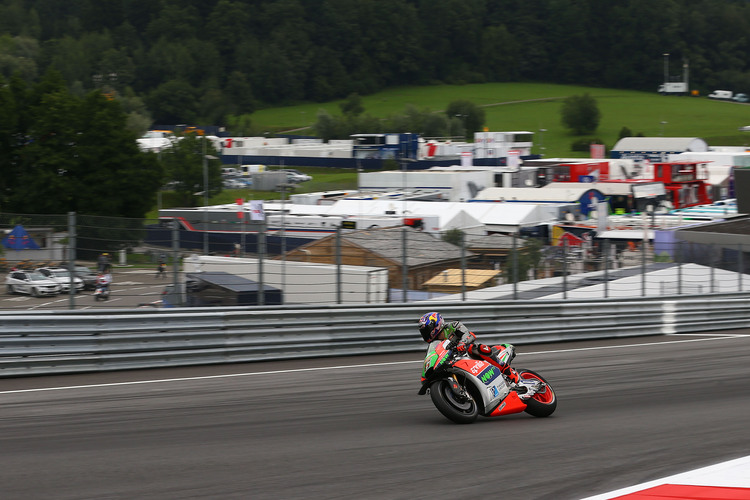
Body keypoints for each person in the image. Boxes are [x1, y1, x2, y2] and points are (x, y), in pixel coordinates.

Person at [418, 311, 540, 397]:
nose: (425, 333)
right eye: (423, 332)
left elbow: (469, 334)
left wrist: (462, 343)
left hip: (466, 351)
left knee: (478, 348)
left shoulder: (452, 326)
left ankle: (515, 378)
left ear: (436, 324)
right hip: (455, 361)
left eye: (426, 330)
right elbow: (432, 357)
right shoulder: (434, 344)